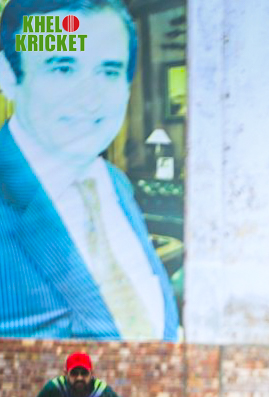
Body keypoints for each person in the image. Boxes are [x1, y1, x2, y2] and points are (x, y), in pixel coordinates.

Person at [0, 0, 179, 340]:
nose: (90, 100)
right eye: (62, 68)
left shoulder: (114, 182)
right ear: (8, 76)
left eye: (109, 72)